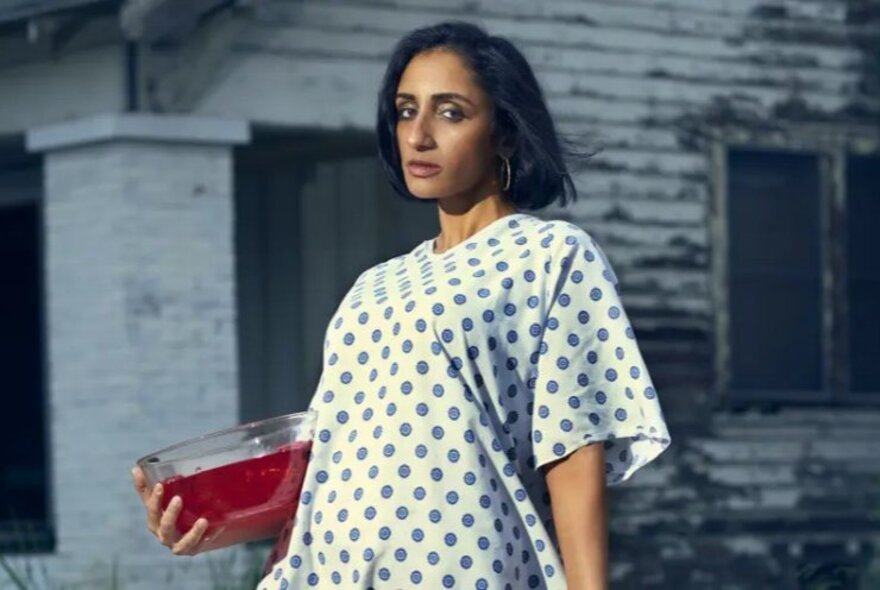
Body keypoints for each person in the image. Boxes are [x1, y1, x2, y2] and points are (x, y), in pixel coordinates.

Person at [131, 20, 672, 590]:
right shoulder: (372, 286)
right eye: (405, 110)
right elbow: (330, 462)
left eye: (450, 112)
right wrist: (207, 517)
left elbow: (573, 445)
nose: (417, 136)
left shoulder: (551, 255)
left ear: (505, 134)